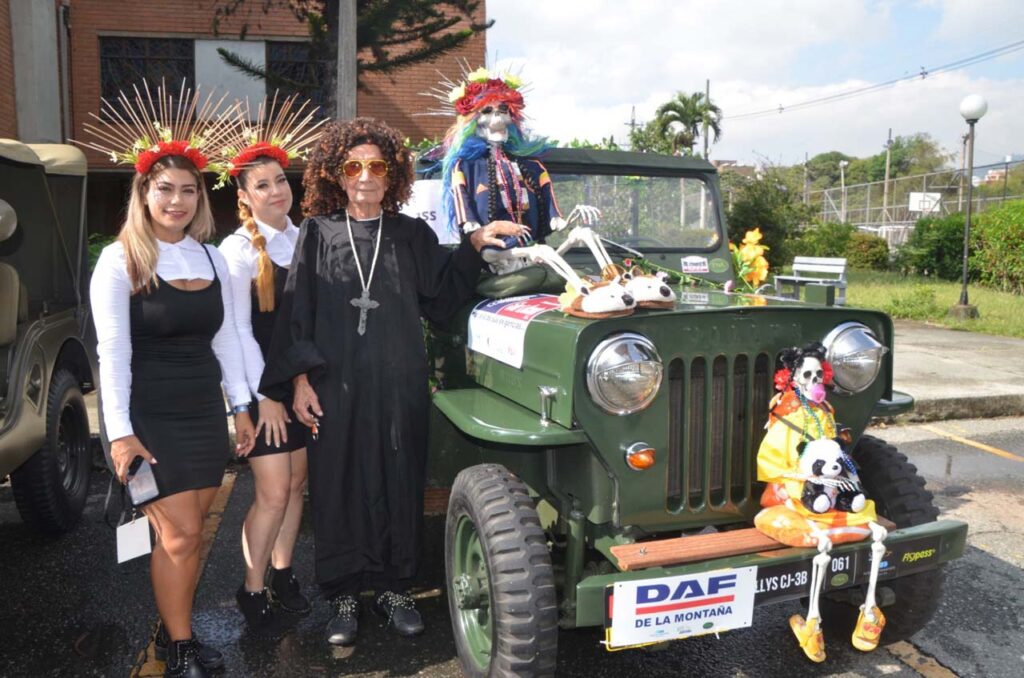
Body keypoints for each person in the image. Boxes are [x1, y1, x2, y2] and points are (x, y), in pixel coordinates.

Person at [259, 117, 522, 646]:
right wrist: (301, 385)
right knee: (338, 484)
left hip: (400, 382)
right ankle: (343, 597)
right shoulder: (317, 232)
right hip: (335, 385)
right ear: (337, 174)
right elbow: (296, 316)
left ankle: (396, 589)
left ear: (392, 173)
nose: (364, 176)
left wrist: (473, 244)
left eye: (376, 166)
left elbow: (444, 302)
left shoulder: (411, 234)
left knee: (399, 480)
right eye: (353, 166)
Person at [84, 84, 255, 678]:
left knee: (183, 533)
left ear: (199, 196)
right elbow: (112, 352)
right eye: (165, 189)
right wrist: (121, 436)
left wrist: (241, 407)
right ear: (145, 192)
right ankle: (179, 647)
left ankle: (176, 629)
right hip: (149, 414)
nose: (177, 201)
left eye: (188, 190)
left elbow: (228, 337)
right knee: (181, 535)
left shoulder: (211, 258)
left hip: (204, 414)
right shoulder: (120, 259)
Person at [215, 95, 325, 626]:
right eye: (262, 184)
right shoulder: (235, 251)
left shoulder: (304, 240)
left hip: (298, 385)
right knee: (273, 492)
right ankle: (252, 588)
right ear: (244, 195)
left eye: (281, 180)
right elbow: (234, 330)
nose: (276, 190)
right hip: (263, 390)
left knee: (297, 485)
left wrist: (298, 383)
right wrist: (259, 399)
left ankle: (283, 572)